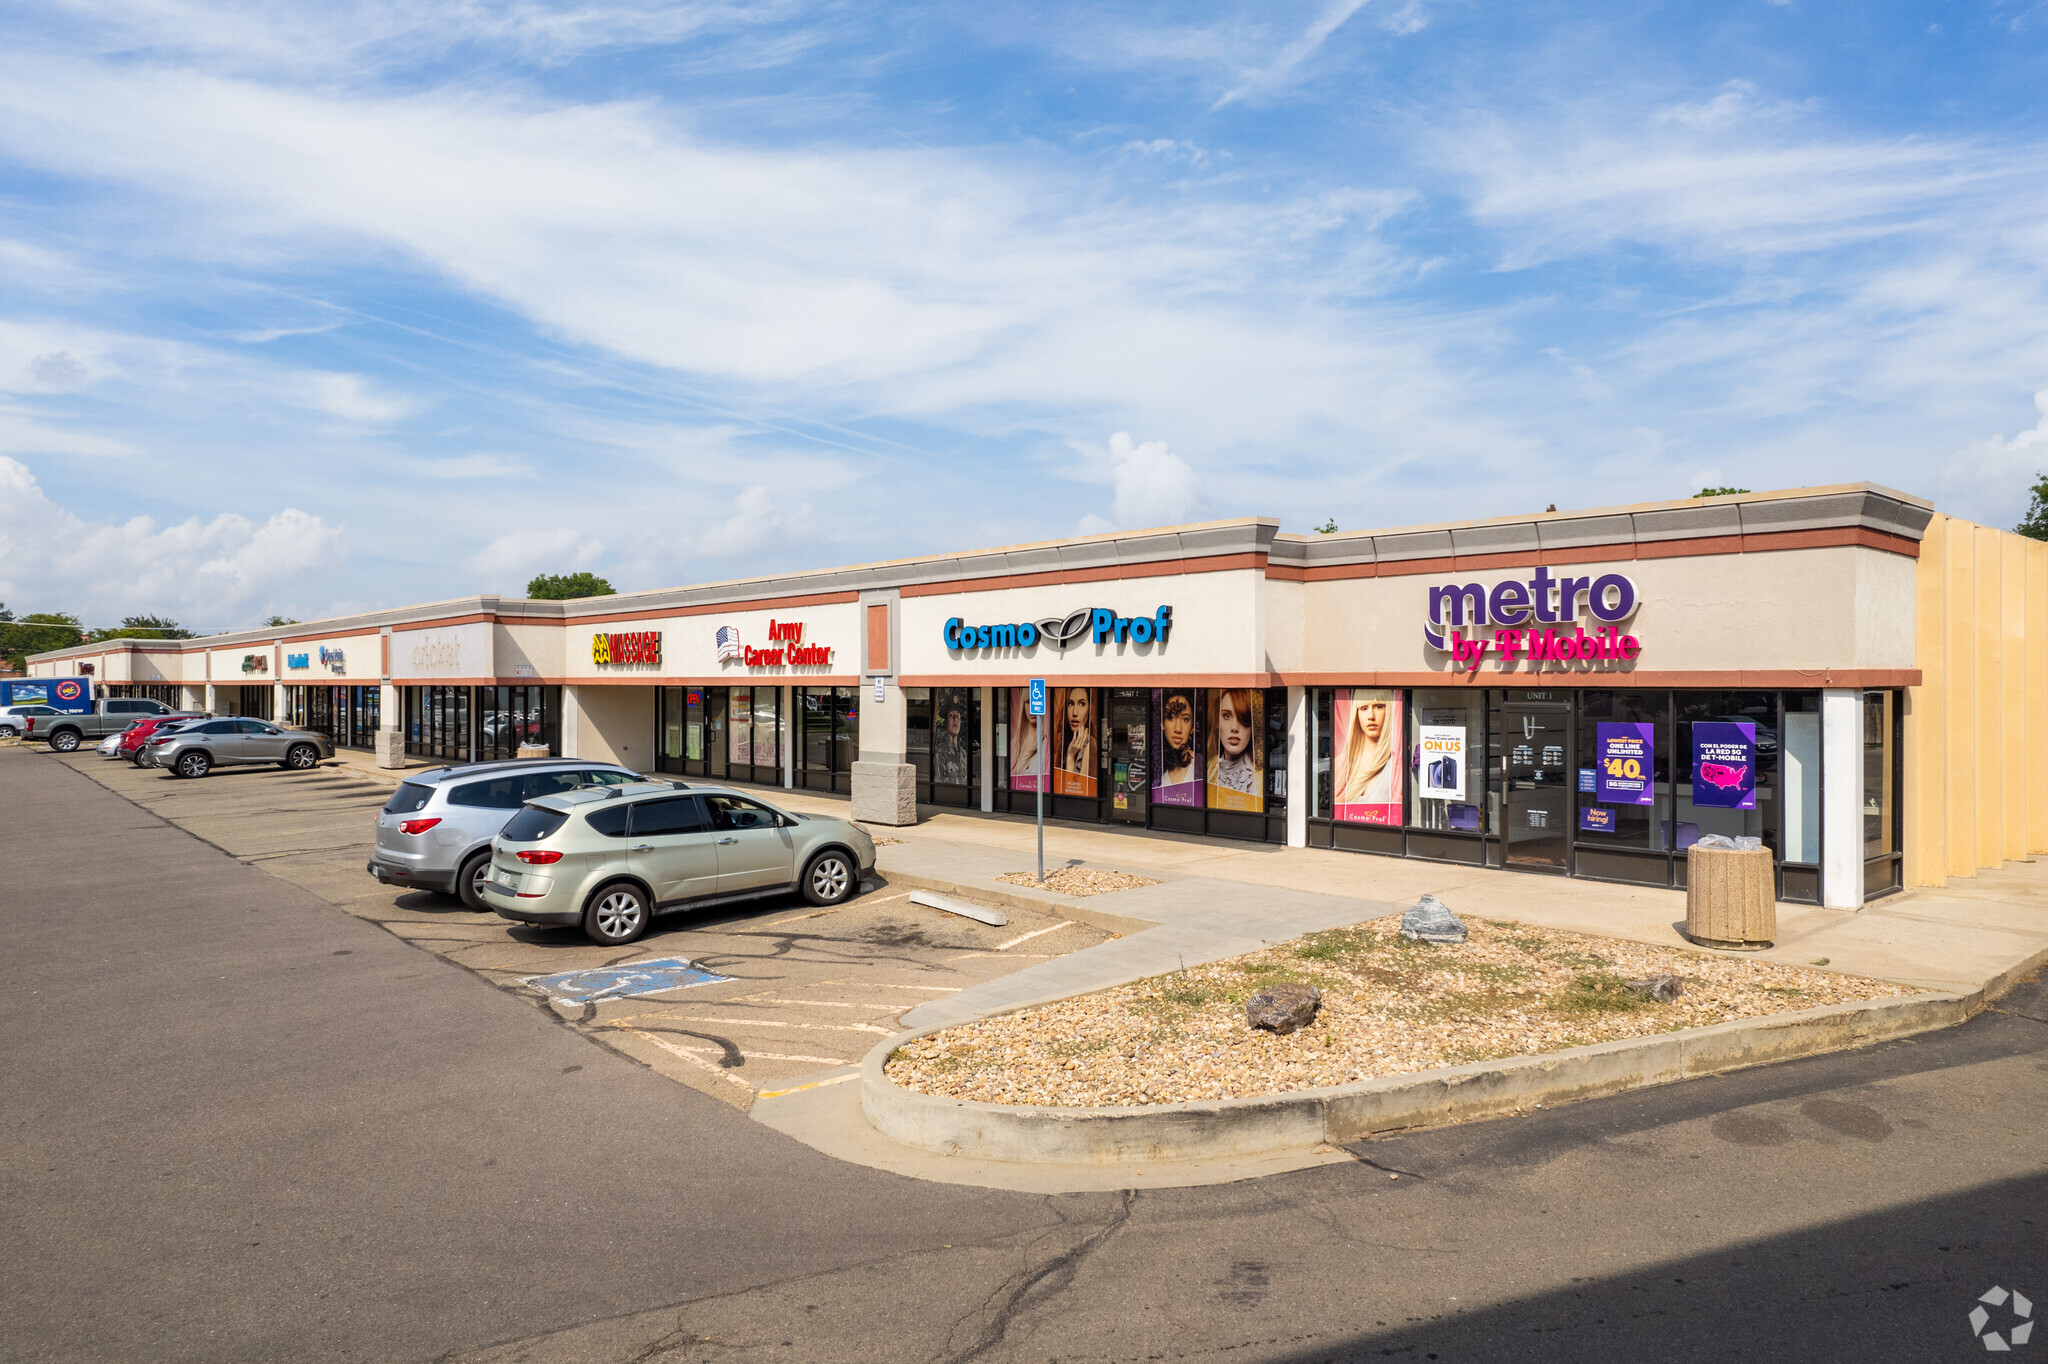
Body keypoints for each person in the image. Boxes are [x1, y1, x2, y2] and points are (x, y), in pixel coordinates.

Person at [1336, 689, 1397, 807]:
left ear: (1389, 710)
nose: (1371, 716)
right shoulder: (1342, 763)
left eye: (1378, 706)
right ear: (1356, 713)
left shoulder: (1396, 766)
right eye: (1364, 708)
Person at [1206, 688, 1259, 794]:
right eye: (1226, 716)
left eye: (1243, 718)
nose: (1234, 728)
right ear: (1217, 722)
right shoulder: (1207, 769)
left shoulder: (1258, 779)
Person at [1158, 689, 1196, 787]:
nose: (1178, 729)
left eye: (1185, 719)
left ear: (1192, 728)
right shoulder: (1156, 768)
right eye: (1171, 717)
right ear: (1162, 724)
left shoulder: (1203, 766)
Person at [1058, 687, 1094, 780]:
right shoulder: (1062, 740)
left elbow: (1076, 791)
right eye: (1070, 704)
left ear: (1090, 709)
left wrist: (1070, 757)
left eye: (1082, 704)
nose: (1074, 713)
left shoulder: (1090, 745)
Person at [934, 694, 970, 785]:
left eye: (957, 716)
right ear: (946, 723)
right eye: (951, 716)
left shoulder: (963, 754)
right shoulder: (940, 752)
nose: (955, 720)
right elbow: (938, 783)